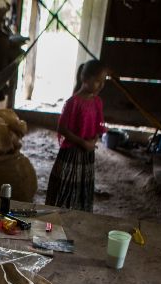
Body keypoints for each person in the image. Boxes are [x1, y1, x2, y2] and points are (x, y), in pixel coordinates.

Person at [45, 59, 108, 212]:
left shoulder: (97, 102)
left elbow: (98, 126)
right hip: (71, 153)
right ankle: (58, 216)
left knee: (82, 187)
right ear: (85, 78)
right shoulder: (73, 102)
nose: (101, 85)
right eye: (97, 81)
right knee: (65, 187)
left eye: (103, 81)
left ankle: (79, 216)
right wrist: (83, 142)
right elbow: (62, 128)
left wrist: (93, 141)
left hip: (87, 154)